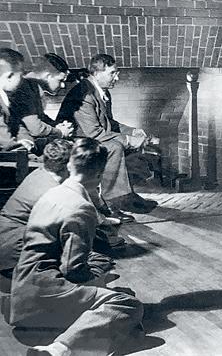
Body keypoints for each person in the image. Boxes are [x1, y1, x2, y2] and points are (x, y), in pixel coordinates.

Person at [9, 138, 143, 355]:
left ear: (70, 165)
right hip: (46, 293)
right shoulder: (81, 207)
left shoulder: (51, 193)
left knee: (117, 293)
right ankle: (59, 349)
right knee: (128, 303)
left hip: (22, 289)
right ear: (99, 175)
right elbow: (73, 269)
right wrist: (99, 283)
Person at [0, 139, 124, 276]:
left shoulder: (41, 172)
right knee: (98, 260)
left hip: (8, 238)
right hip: (16, 252)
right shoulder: (55, 191)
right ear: (69, 167)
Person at [57, 53, 158, 214]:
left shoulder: (102, 92)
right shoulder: (83, 94)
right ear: (97, 73)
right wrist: (128, 140)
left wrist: (132, 131)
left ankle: (126, 196)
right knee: (115, 147)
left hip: (92, 137)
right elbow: (93, 132)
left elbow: (108, 123)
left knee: (127, 146)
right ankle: (112, 203)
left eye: (116, 73)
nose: (116, 78)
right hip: (75, 141)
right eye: (112, 73)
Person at [10, 54, 73, 153]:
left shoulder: (32, 86)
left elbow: (40, 117)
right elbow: (36, 129)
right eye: (60, 80)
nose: (62, 85)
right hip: (15, 150)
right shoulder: (24, 89)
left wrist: (57, 125)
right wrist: (60, 132)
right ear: (47, 76)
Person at [0, 48, 31, 150]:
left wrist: (26, 140)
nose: (22, 81)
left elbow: (16, 124)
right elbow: (6, 144)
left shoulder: (6, 97)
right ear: (10, 76)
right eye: (20, 76)